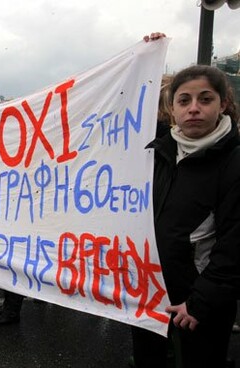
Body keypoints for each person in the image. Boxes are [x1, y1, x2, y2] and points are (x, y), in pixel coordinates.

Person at [132, 32, 240, 368]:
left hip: (200, 303)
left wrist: (200, 302)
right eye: (184, 100)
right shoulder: (158, 152)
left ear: (223, 103)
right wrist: (144, 58)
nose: (194, 108)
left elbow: (235, 244)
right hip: (150, 292)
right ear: (171, 108)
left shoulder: (233, 161)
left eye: (205, 99)